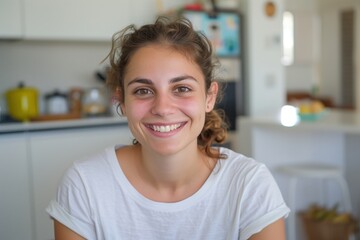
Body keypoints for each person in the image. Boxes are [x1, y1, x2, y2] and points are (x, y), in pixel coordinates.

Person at [47, 17, 290, 240]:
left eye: (182, 88)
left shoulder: (250, 186)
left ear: (209, 97)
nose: (162, 108)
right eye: (143, 91)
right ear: (121, 101)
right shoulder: (84, 185)